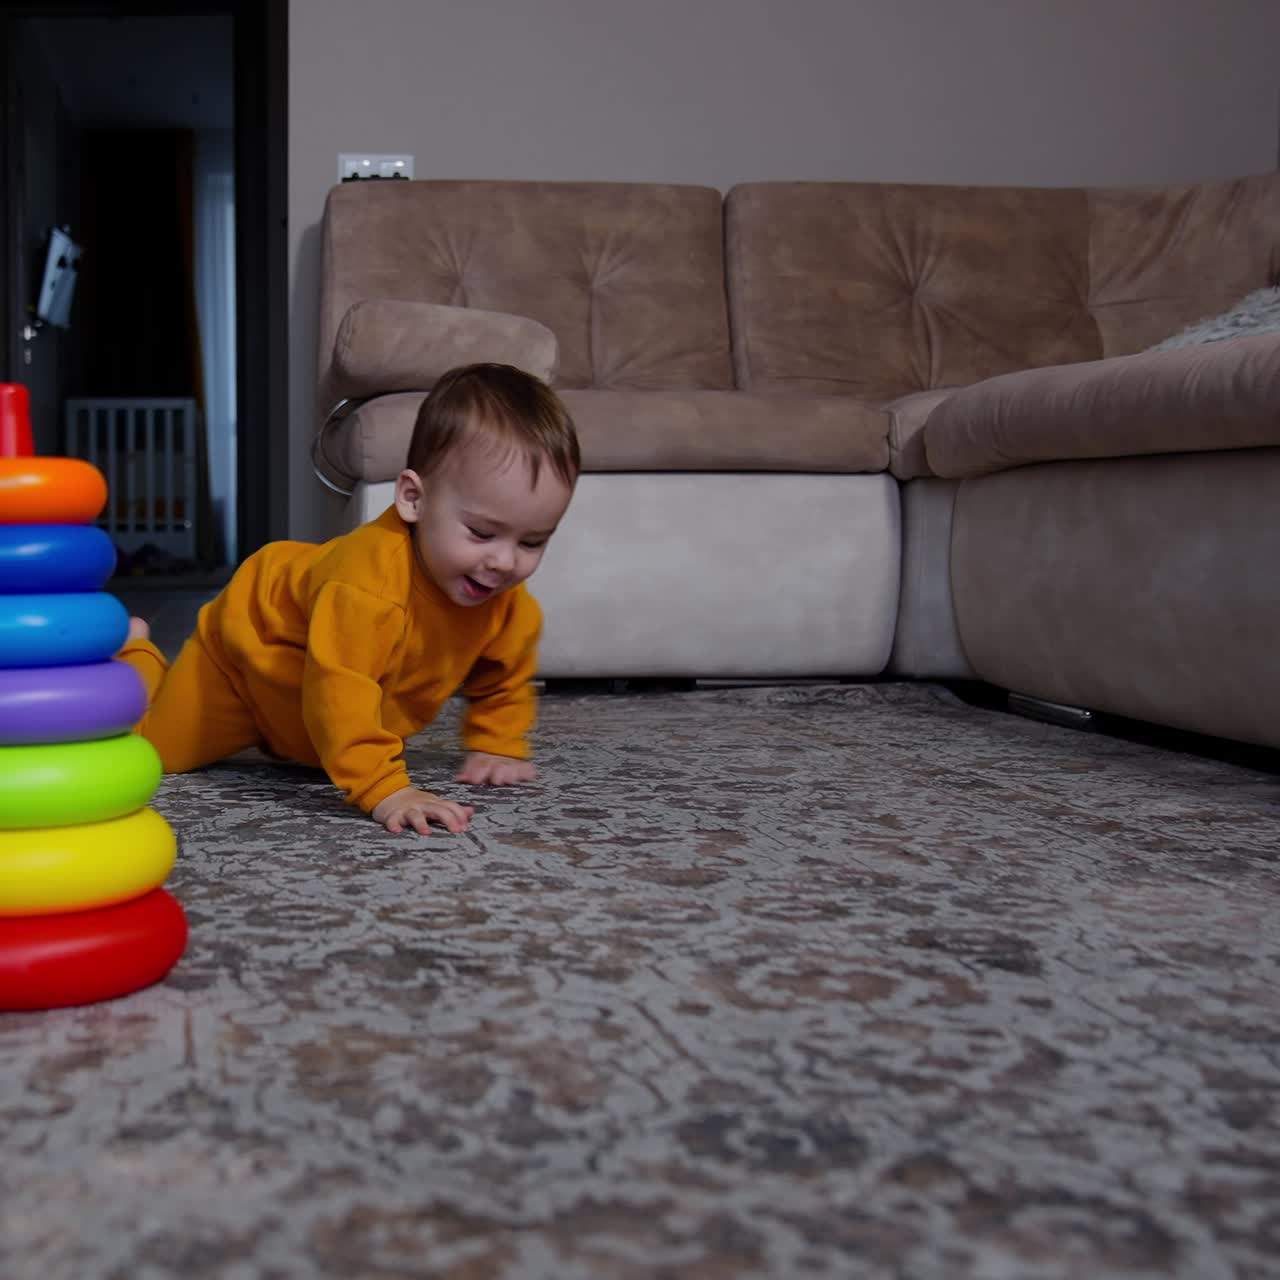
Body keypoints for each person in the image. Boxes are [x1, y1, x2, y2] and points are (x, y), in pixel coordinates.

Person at [118, 362, 579, 836]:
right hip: (244, 664)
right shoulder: (367, 588)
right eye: (482, 532)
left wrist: (497, 741)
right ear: (413, 499)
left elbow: (503, 676)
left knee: (329, 745)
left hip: (308, 707)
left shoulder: (507, 606)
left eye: (531, 542)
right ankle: (136, 654)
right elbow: (342, 687)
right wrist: (386, 788)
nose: (505, 562)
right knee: (152, 751)